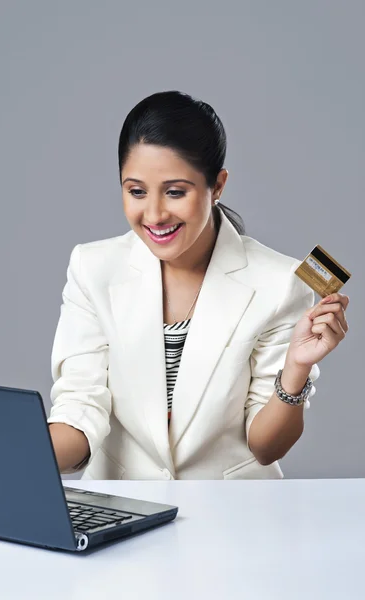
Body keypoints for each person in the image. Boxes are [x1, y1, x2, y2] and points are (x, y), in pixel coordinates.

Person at [48, 91, 349, 480]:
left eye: (175, 192)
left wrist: (296, 367)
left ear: (217, 185)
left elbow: (266, 447)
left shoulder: (280, 284)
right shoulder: (92, 268)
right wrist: (11, 461)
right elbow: (79, 408)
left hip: (235, 516)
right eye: (136, 191)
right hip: (123, 505)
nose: (154, 214)